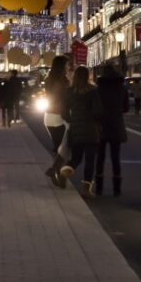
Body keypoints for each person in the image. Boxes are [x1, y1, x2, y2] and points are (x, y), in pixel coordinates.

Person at [58, 65, 103, 198]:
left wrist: (71, 120)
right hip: (91, 129)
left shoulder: (69, 92)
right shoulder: (93, 91)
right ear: (87, 76)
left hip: (75, 128)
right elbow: (98, 111)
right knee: (90, 160)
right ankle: (86, 189)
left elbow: (63, 111)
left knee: (76, 158)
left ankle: (64, 172)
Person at [95, 62, 129, 196]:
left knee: (100, 157)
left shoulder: (98, 89)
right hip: (116, 125)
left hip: (101, 126)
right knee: (116, 157)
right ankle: (117, 189)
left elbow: (95, 108)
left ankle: (99, 187)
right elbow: (126, 108)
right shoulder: (122, 88)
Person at [43, 56, 72, 187]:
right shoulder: (62, 81)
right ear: (62, 66)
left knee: (59, 148)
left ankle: (57, 175)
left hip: (49, 116)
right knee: (65, 149)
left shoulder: (49, 79)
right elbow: (64, 99)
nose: (68, 67)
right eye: (67, 65)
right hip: (59, 117)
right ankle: (57, 173)